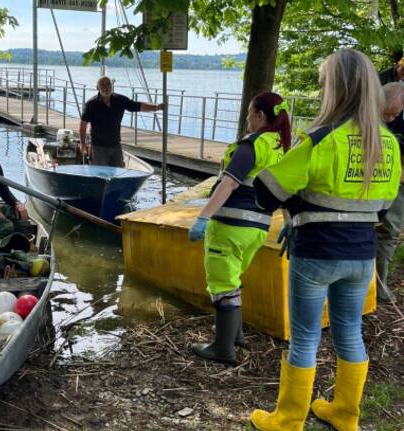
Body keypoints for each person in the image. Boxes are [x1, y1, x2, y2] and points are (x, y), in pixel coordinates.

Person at [249, 49, 401, 431]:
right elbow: (382, 208)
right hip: (361, 255)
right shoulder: (389, 144)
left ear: (334, 88)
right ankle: (345, 414)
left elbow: (265, 192)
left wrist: (299, 210)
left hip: (315, 253)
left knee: (304, 338)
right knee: (350, 330)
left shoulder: (319, 141)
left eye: (322, 83)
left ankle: (287, 419)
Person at [188, 92, 291, 365]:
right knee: (232, 279)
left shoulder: (251, 146)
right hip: (257, 229)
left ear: (260, 116)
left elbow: (229, 183)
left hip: (231, 226)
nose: (246, 118)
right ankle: (235, 336)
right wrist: (291, 220)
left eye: (249, 113)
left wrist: (203, 216)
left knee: (222, 284)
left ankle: (223, 349)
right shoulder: (280, 147)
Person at [78, 76, 164, 167]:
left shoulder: (120, 99)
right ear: (98, 88)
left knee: (118, 171)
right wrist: (82, 143)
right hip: (98, 146)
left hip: (115, 144)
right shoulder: (91, 104)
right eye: (102, 85)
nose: (106, 87)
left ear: (112, 86)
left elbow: (137, 106)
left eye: (108, 84)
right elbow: (83, 126)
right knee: (100, 174)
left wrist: (157, 107)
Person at [376, 82, 404, 301]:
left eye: (395, 114)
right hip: (376, 178)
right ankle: (375, 285)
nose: (391, 118)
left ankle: (378, 283)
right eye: (389, 113)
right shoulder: (372, 115)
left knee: (389, 232)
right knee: (384, 230)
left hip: (396, 180)